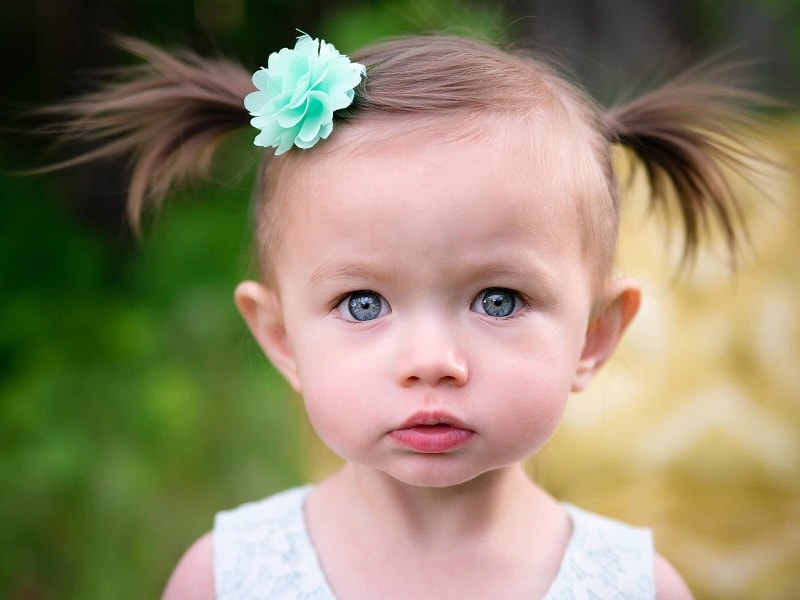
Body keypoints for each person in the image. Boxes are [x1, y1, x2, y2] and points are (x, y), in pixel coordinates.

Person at [42, 31, 769, 599]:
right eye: (363, 303)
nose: (431, 360)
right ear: (281, 338)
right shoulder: (227, 580)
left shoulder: (635, 589)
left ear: (595, 334)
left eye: (498, 299)